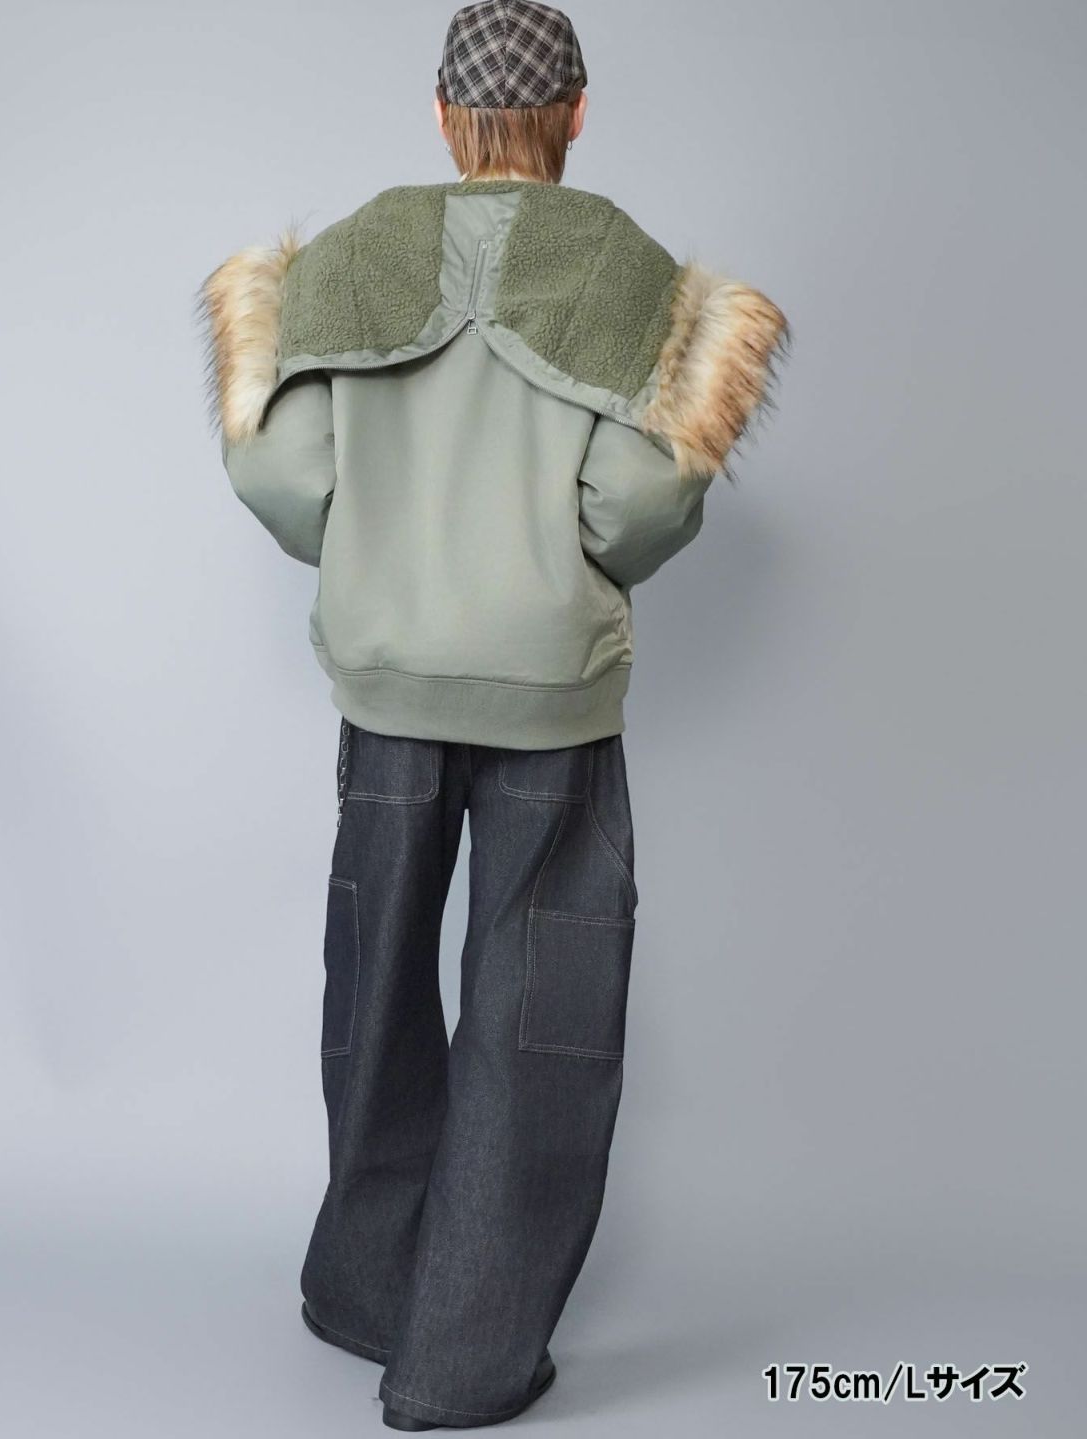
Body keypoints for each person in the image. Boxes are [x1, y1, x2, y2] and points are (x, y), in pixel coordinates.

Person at [196, 2, 788, 1428]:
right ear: (576, 113)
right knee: (539, 1013)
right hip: (551, 690)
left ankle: (365, 1295)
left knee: (376, 980)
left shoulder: (353, 256)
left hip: (387, 678)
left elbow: (277, 473)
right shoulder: (627, 270)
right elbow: (638, 501)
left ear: (441, 113)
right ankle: (461, 1360)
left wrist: (379, 554)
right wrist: (548, 564)